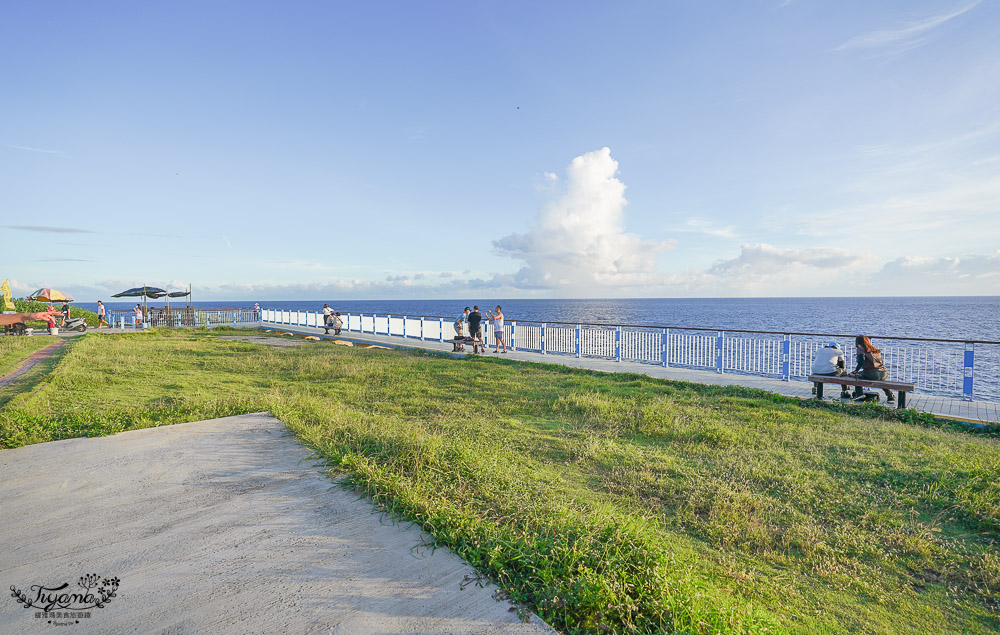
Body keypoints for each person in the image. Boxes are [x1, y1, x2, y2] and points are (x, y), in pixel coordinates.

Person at [851, 335, 895, 403]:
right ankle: (890, 396)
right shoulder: (874, 349)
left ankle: (859, 394)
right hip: (884, 373)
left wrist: (855, 371)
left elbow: (861, 361)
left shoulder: (861, 348)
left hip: (873, 373)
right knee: (881, 381)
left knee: (856, 375)